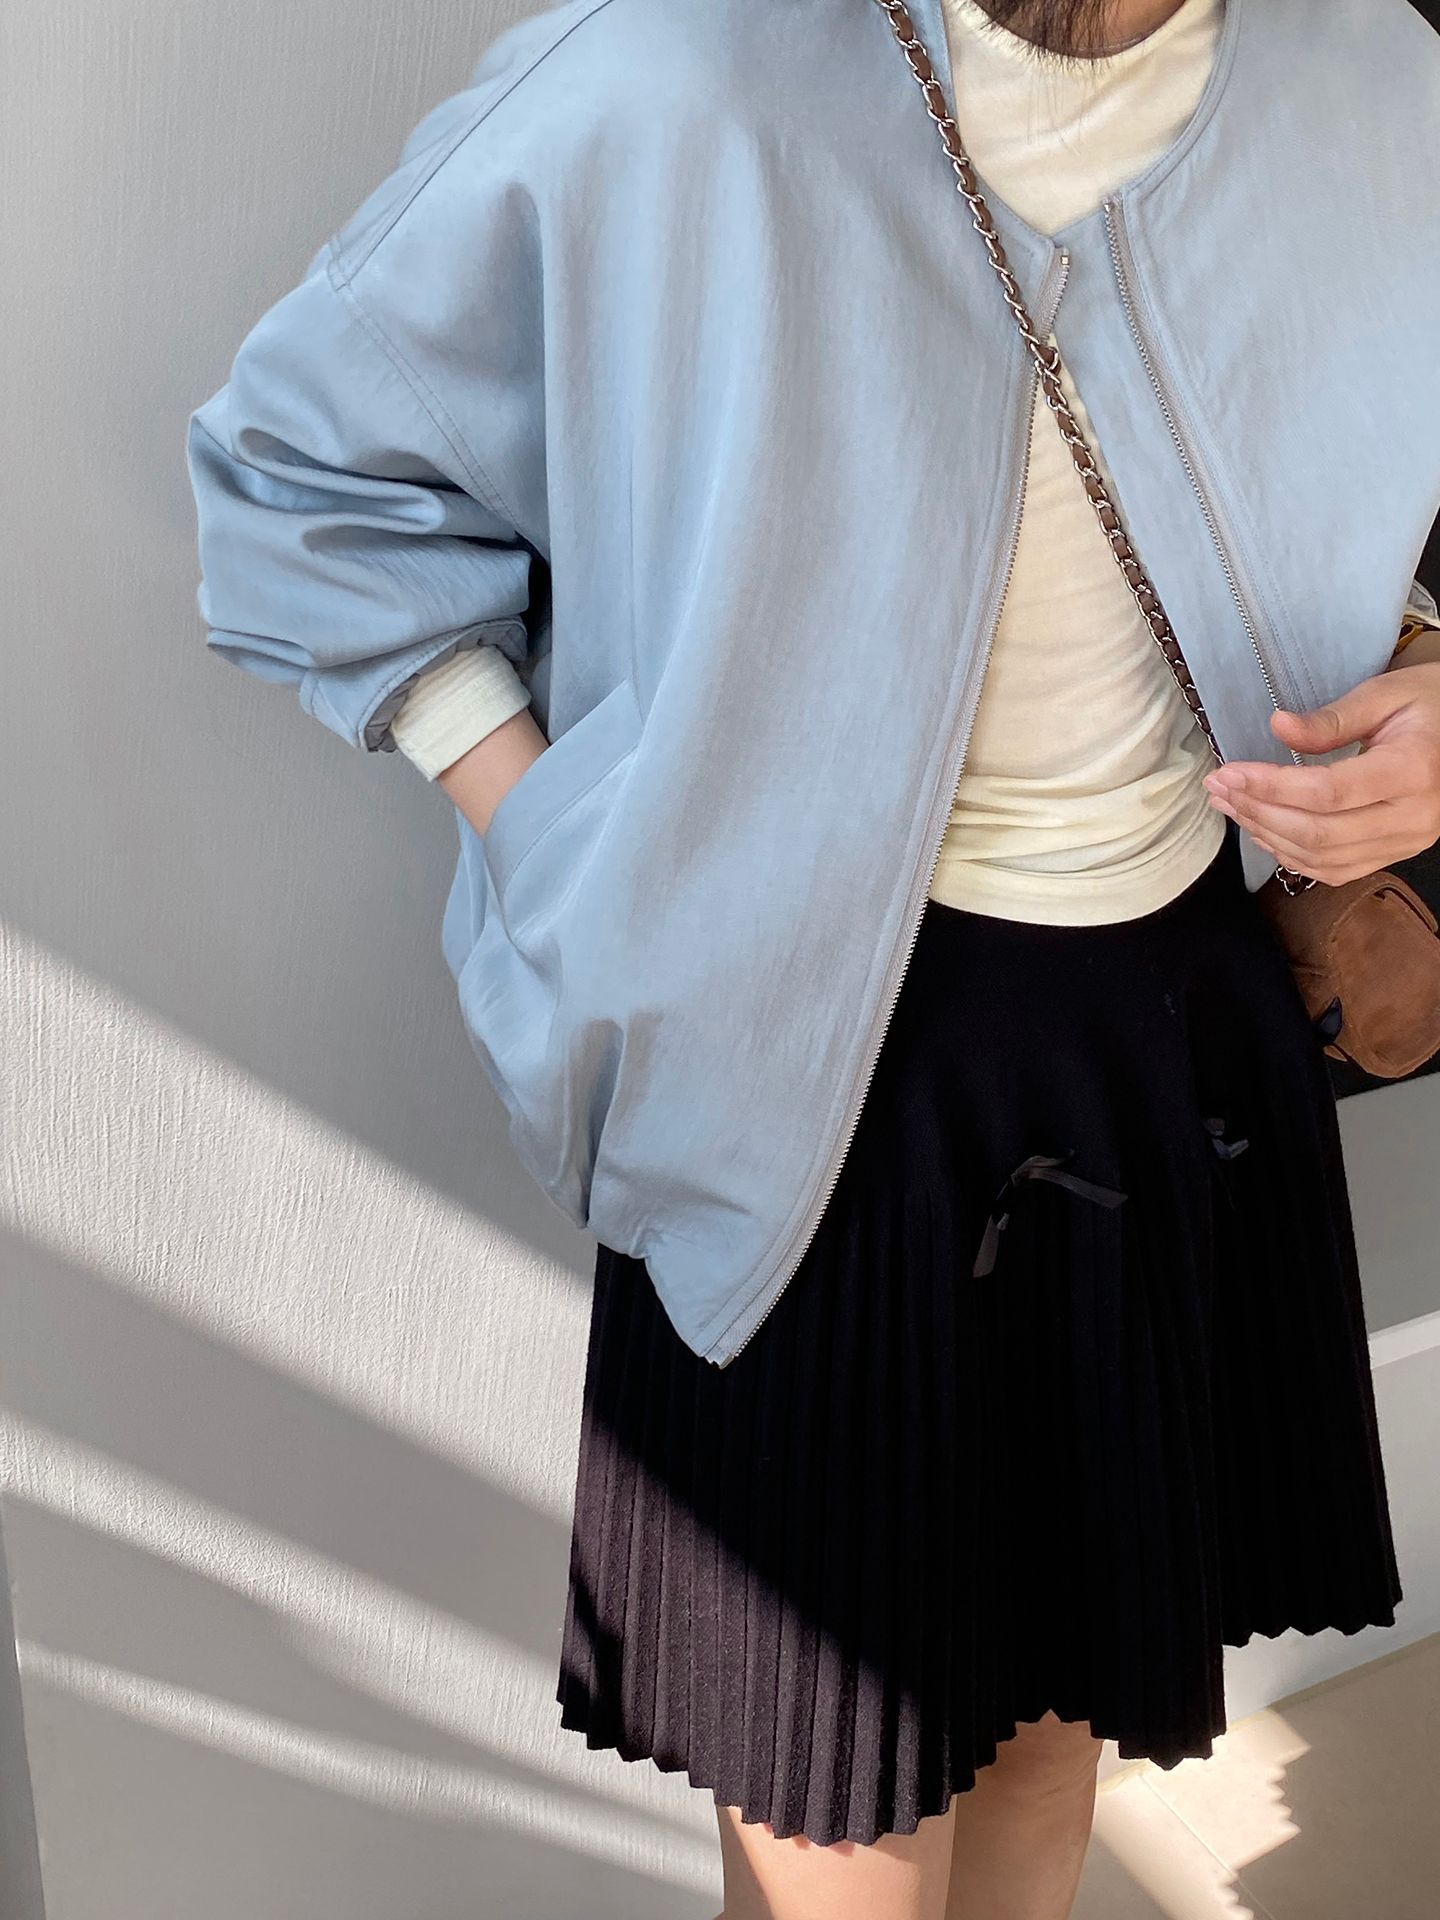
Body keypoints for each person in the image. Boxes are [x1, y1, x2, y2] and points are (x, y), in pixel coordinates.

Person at [186, 1, 1440, 1913]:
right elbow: (301, 469)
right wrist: (558, 848)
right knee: (836, 1822)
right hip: (796, 1095)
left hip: (1166, 1035)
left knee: (1052, 1739)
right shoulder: (682, 70)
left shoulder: (1375, 76)